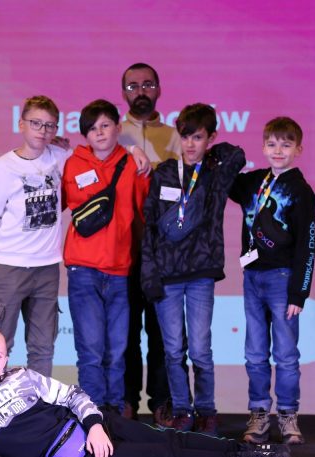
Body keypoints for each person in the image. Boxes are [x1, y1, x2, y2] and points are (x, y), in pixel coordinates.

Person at [0, 323, 291, 457]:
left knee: (168, 438)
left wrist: (96, 425)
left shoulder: (22, 376)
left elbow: (73, 395)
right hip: (79, 455)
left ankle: (246, 451)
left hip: (96, 425)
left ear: (6, 357)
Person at [0, 96, 149, 377]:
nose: (42, 130)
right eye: (36, 123)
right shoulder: (2, 169)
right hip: (9, 265)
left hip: (47, 268)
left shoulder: (62, 158)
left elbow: (100, 150)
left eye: (50, 125)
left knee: (42, 347)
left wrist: (132, 148)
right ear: (21, 124)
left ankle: (38, 401)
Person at [141, 104, 246, 436]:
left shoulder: (215, 174)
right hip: (168, 275)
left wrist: (211, 154)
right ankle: (182, 410)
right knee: (173, 350)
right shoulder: (164, 173)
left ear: (210, 138)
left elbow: (237, 155)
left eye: (198, 137)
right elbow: (149, 226)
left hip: (201, 273)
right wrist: (150, 273)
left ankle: (207, 412)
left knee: (201, 350)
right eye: (185, 136)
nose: (189, 144)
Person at [228, 116, 315, 445]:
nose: (278, 151)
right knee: (254, 353)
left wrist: (299, 293)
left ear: (298, 150)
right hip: (252, 277)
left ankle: (288, 415)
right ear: (263, 147)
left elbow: (308, 244)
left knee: (285, 353)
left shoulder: (301, 191)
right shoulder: (253, 182)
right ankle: (259, 413)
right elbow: (225, 180)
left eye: (286, 145)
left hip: (283, 280)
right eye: (272, 144)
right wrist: (230, 155)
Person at [62, 99, 150, 415]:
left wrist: (135, 154)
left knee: (117, 350)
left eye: (105, 125)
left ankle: (114, 412)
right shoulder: (73, 164)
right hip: (82, 268)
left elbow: (145, 211)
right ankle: (93, 414)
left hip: (119, 270)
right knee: (90, 351)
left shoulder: (133, 166)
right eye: (92, 128)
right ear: (84, 134)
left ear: (118, 127)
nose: (99, 132)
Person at [118, 62, 182, 426]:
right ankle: (126, 400)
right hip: (123, 253)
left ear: (158, 89)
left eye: (147, 85)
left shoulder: (176, 137)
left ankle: (162, 403)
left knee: (162, 335)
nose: (140, 92)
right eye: (132, 86)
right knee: (125, 334)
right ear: (123, 93)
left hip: (163, 255)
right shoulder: (112, 134)